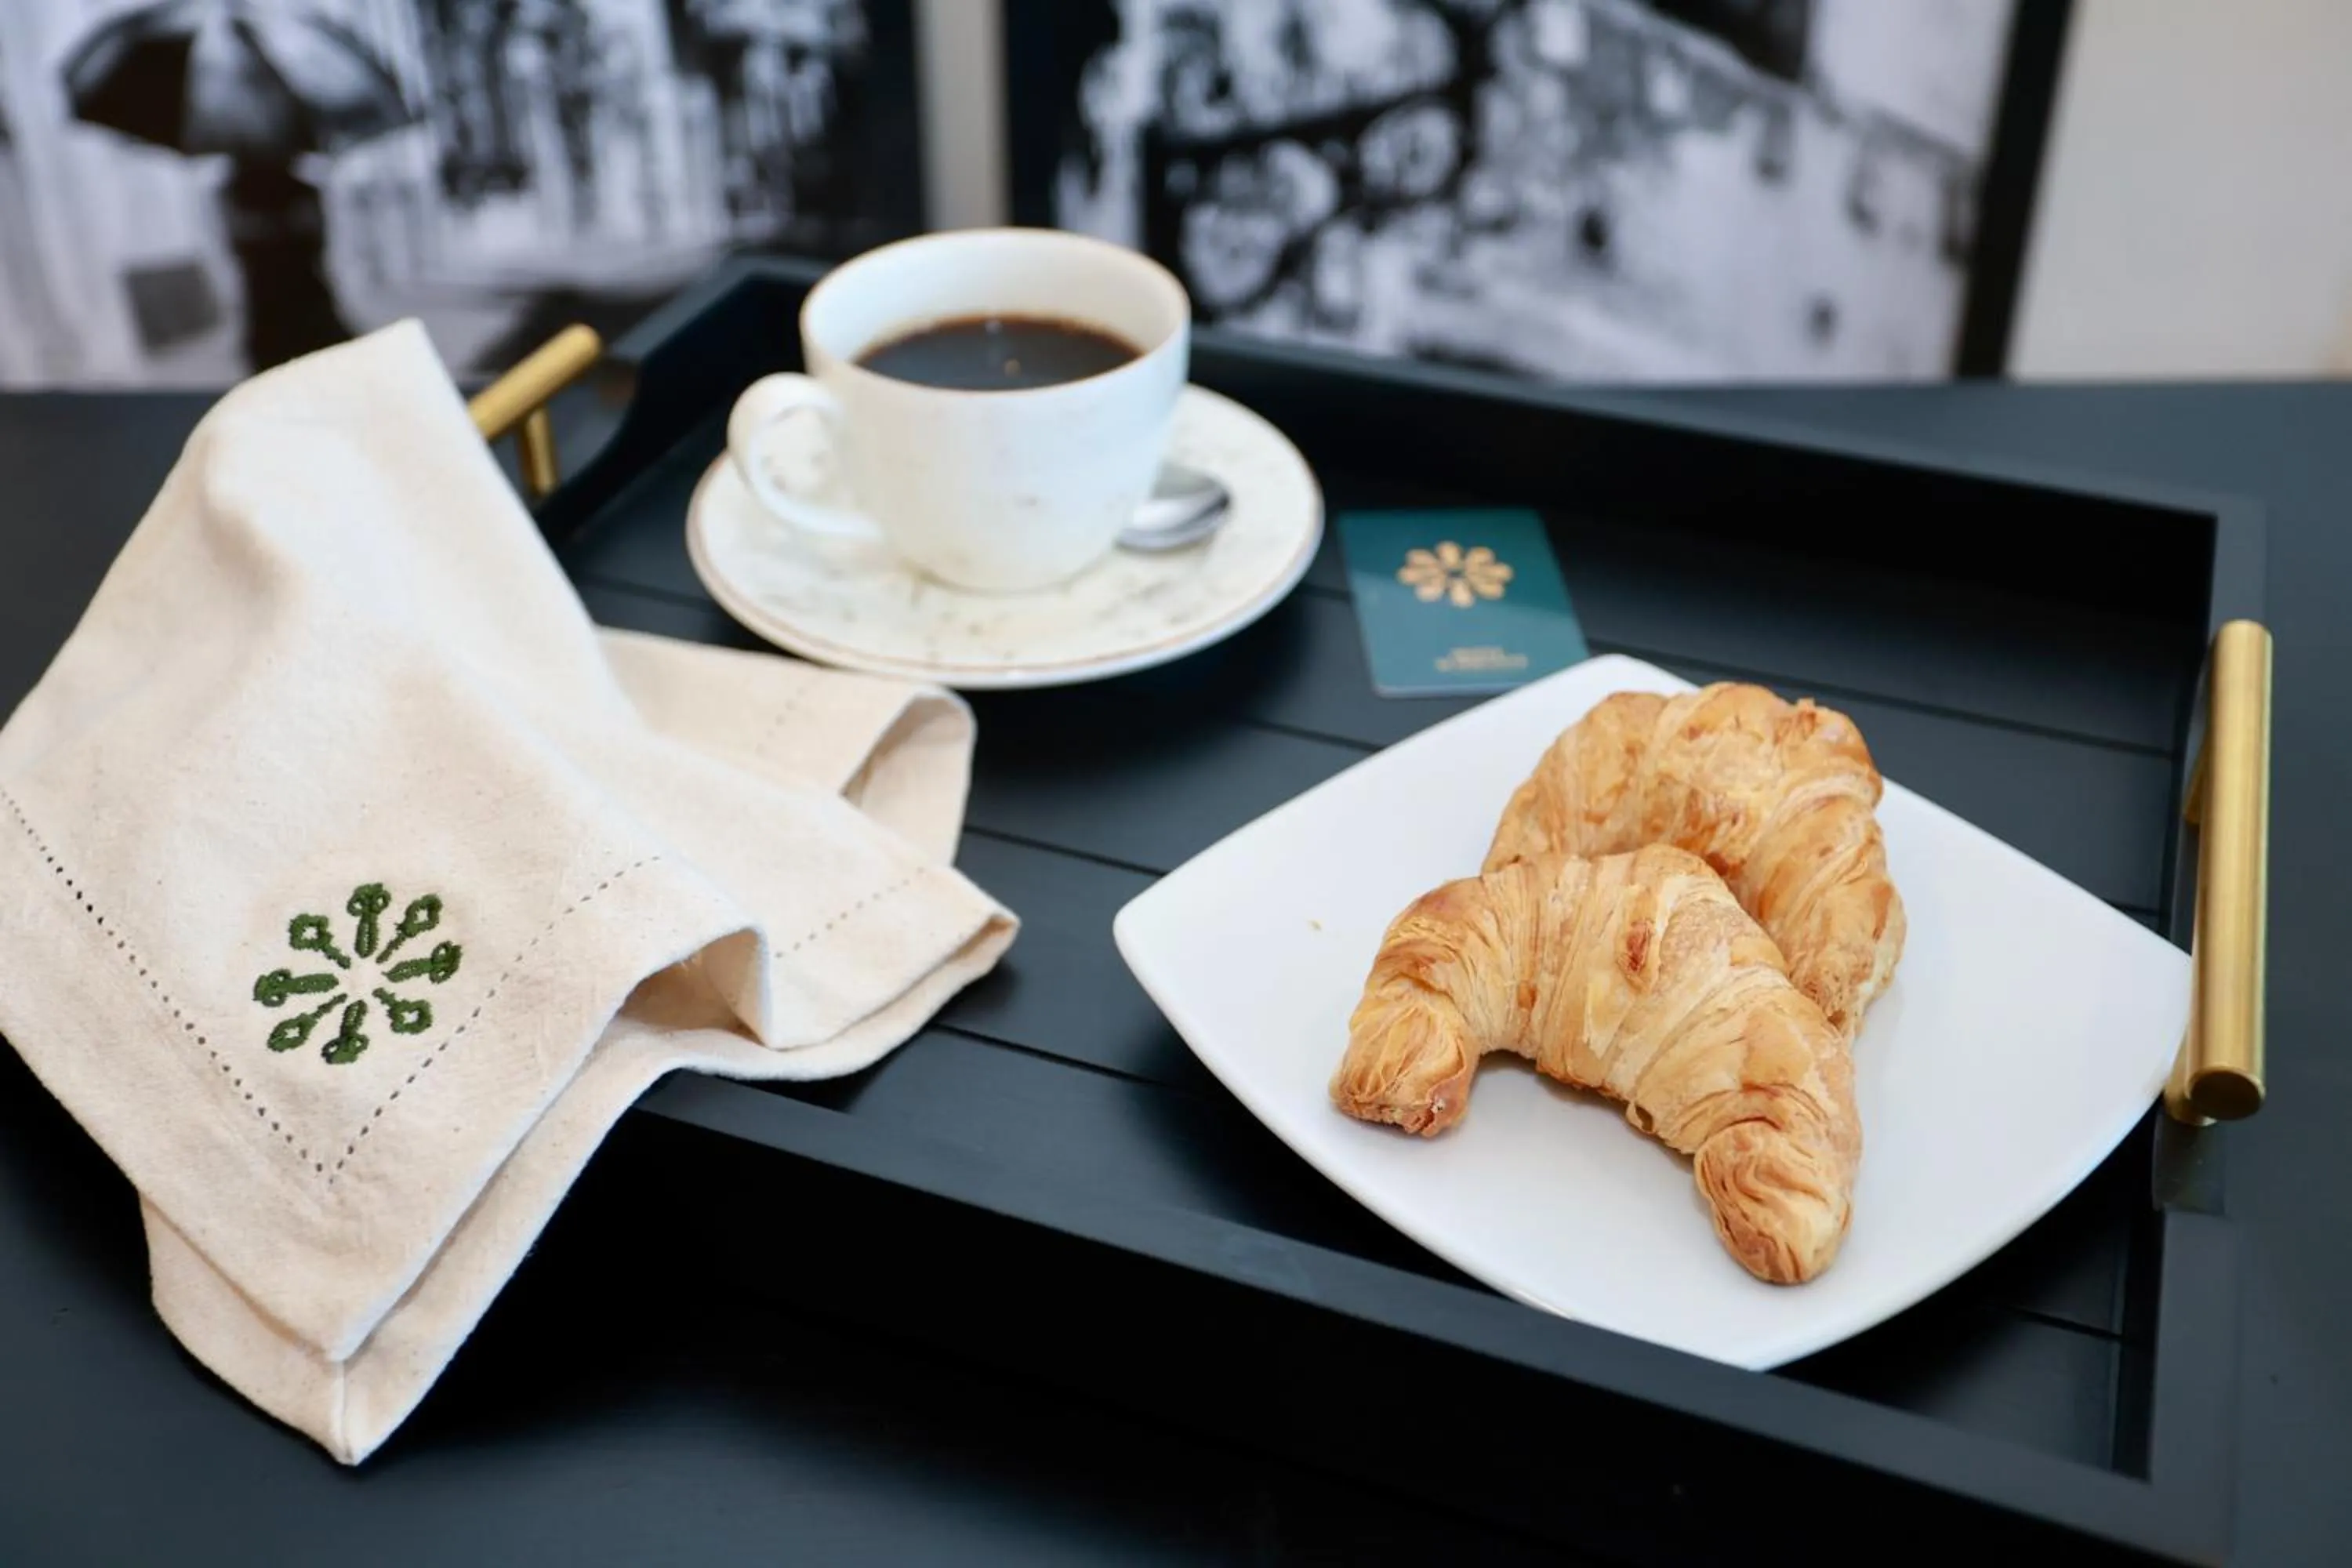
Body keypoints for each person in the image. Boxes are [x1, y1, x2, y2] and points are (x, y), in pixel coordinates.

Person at [216, 158, 355, 372]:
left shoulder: (238, 194)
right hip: (280, 296)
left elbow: (238, 244)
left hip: (290, 295)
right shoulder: (237, 194)